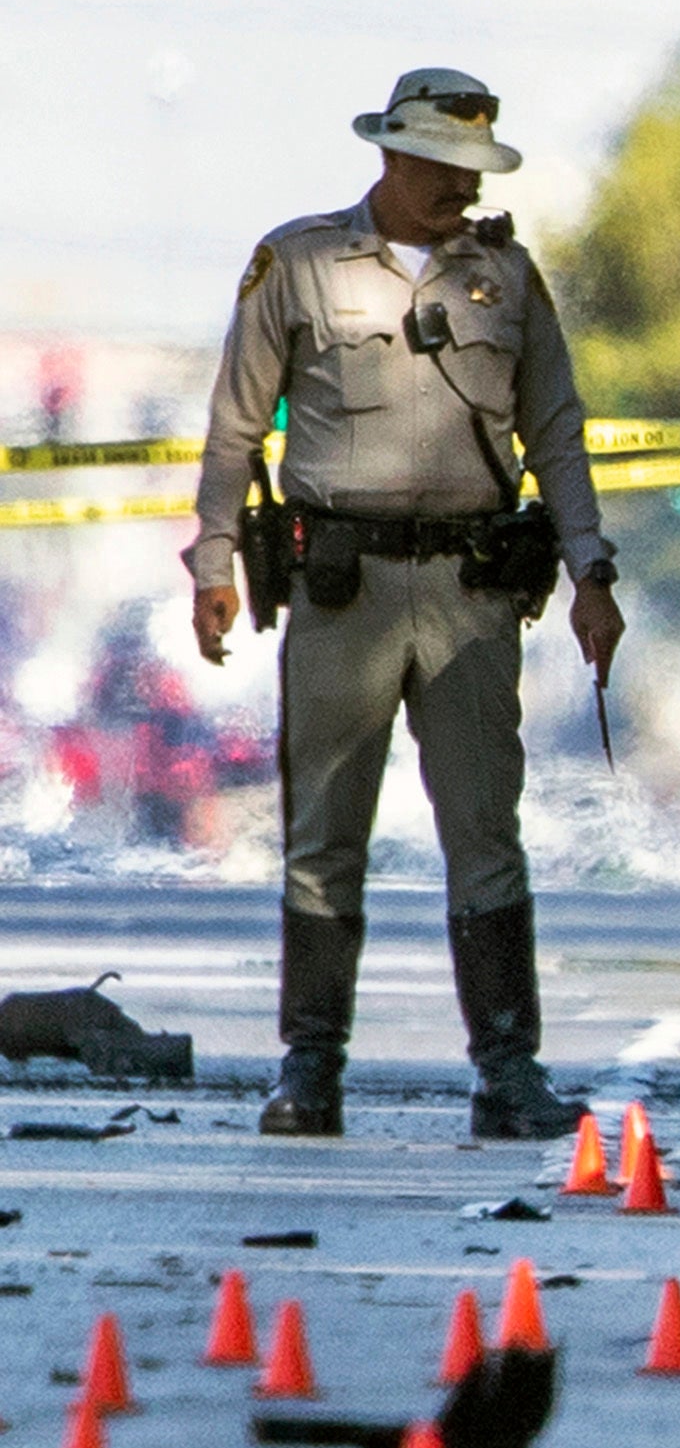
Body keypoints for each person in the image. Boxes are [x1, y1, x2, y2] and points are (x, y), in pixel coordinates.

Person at [186, 69, 624, 1139]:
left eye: (475, 172)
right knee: (324, 827)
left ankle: (509, 1072)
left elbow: (556, 429)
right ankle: (310, 1066)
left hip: (472, 590)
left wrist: (594, 570)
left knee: (485, 827)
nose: (461, 192)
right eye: (444, 169)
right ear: (392, 155)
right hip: (346, 583)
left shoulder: (506, 277)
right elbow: (235, 424)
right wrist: (210, 560)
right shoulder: (298, 261)